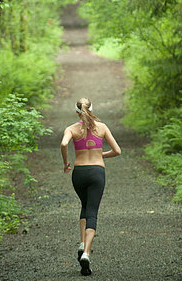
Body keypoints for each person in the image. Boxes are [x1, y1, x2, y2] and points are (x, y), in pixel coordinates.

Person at [60, 97, 121, 276]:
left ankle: (81, 242)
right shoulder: (102, 128)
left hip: (78, 173)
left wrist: (66, 163)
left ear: (77, 112)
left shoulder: (71, 129)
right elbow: (117, 151)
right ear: (92, 110)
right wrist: (100, 154)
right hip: (96, 172)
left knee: (85, 206)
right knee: (92, 211)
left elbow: (64, 143)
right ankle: (86, 253)